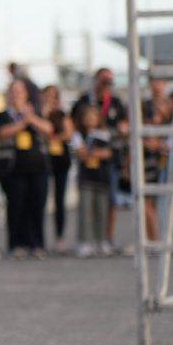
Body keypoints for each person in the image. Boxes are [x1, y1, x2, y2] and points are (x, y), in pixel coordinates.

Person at [0, 80, 52, 259]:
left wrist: (31, 118)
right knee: (16, 207)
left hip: (37, 167)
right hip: (13, 169)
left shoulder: (36, 113)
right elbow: (2, 133)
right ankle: (17, 244)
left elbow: (49, 130)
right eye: (13, 91)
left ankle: (37, 244)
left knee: (37, 206)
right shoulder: (4, 116)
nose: (17, 95)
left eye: (20, 91)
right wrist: (21, 123)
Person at [74, 105, 114, 257]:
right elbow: (80, 153)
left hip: (102, 178)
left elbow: (108, 153)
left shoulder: (105, 134)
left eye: (93, 116)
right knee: (85, 210)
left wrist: (92, 152)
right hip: (86, 178)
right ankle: (84, 241)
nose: (90, 120)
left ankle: (102, 240)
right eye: (87, 117)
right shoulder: (79, 135)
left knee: (102, 210)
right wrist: (95, 152)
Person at [42, 85, 74, 251]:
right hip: (44, 160)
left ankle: (60, 236)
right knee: (41, 198)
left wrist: (54, 137)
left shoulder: (62, 114)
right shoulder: (40, 114)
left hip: (61, 159)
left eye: (53, 96)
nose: (50, 99)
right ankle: (40, 238)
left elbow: (69, 133)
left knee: (59, 199)